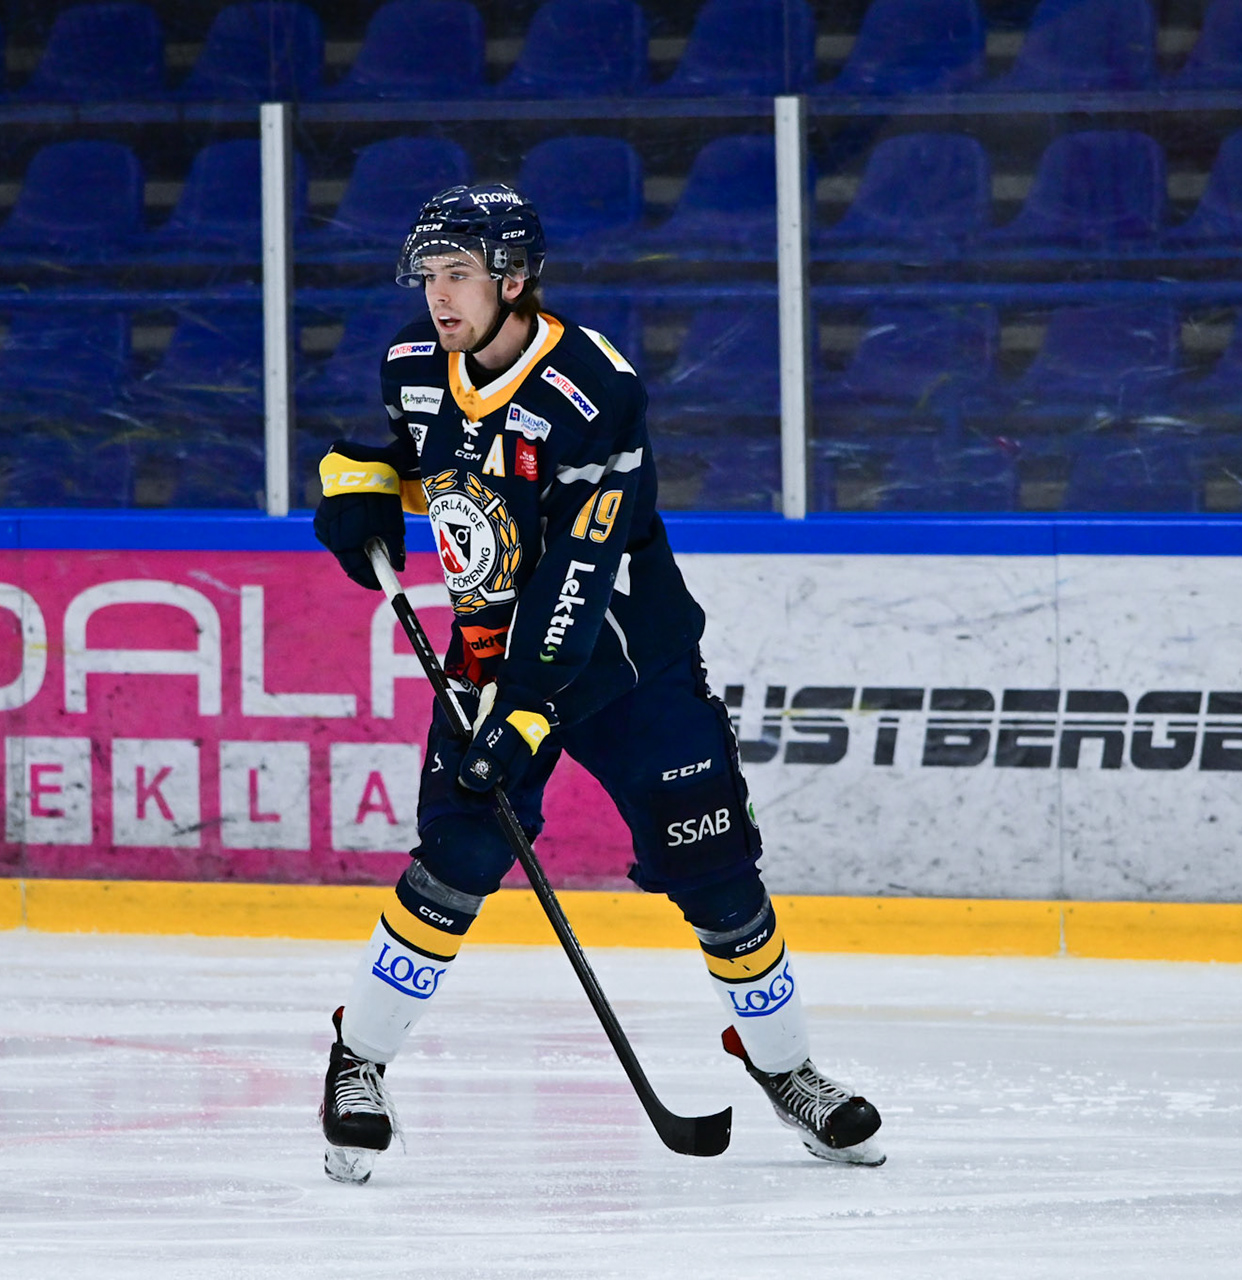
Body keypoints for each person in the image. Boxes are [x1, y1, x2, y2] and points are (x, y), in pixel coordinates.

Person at [311, 182, 883, 1184]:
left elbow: (581, 569)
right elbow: (417, 458)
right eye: (431, 275)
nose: (440, 296)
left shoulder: (592, 389)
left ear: (514, 279)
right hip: (489, 657)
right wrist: (358, 488)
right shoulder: (413, 363)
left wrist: (528, 709)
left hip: (628, 664)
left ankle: (786, 1067)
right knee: (456, 857)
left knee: (716, 871)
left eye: (460, 275)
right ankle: (358, 1059)